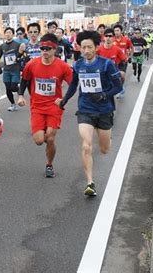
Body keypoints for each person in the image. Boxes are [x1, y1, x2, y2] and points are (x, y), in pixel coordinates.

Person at [57, 30, 122, 196]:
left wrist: (103, 95)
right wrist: (64, 100)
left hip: (104, 109)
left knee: (104, 149)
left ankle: (106, 138)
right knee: (86, 146)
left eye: (89, 47)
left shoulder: (106, 64)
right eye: (83, 47)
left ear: (96, 47)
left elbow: (118, 87)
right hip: (85, 109)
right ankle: (90, 183)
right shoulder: (78, 65)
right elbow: (73, 85)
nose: (86, 51)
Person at [17, 33, 73, 178]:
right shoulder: (32, 64)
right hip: (37, 107)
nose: (45, 52)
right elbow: (24, 79)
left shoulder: (63, 67)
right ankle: (45, 133)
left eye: (48, 49)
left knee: (51, 138)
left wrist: (64, 100)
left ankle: (49, 165)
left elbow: (73, 85)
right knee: (39, 140)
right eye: (42, 49)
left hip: (54, 107)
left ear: (55, 49)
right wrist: (21, 95)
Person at [0, 27, 25, 112]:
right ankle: (13, 104)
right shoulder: (2, 46)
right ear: (4, 34)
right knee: (8, 88)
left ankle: (19, 90)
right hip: (6, 70)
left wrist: (19, 59)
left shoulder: (17, 45)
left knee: (13, 87)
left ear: (13, 34)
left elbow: (22, 55)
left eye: (10, 32)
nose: (8, 34)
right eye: (6, 32)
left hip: (15, 69)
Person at [96, 28, 127, 97]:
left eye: (110, 36)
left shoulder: (117, 49)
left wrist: (121, 69)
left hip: (114, 70)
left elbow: (124, 60)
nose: (108, 38)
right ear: (104, 37)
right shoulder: (99, 49)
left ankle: (120, 87)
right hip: (102, 71)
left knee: (122, 75)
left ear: (113, 38)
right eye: (106, 36)